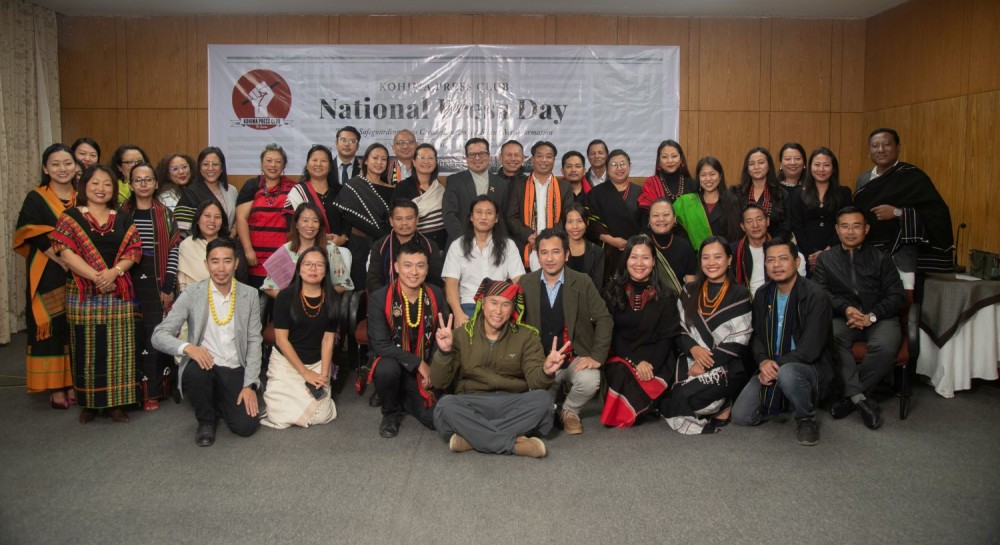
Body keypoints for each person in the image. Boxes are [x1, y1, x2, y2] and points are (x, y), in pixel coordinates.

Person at [431, 278, 567, 458]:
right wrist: (444, 352)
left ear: (512, 309)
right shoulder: (462, 335)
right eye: (493, 302)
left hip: (512, 403)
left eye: (505, 304)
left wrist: (546, 371)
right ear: (482, 303)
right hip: (473, 402)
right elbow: (439, 382)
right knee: (445, 406)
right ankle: (516, 445)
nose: (498, 310)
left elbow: (537, 382)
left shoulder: (526, 336)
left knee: (544, 401)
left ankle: (472, 439)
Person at [51, 165, 142, 424]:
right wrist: (97, 277)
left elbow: (134, 251)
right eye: (95, 183)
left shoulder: (123, 217)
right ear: (84, 187)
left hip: (118, 291)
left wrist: (113, 273)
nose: (101, 189)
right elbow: (64, 252)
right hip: (83, 293)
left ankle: (116, 404)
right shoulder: (70, 217)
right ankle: (89, 403)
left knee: (119, 348)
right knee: (86, 348)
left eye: (107, 184)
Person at [151, 237, 262, 446]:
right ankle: (206, 421)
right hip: (206, 364)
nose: (221, 268)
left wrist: (250, 385)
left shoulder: (250, 295)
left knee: (246, 427)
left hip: (235, 367)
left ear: (236, 263)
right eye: (215, 261)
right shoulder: (193, 293)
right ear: (206, 264)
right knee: (195, 373)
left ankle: (219, 398)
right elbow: (159, 335)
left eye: (227, 261)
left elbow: (255, 341)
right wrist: (188, 348)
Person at [731, 238, 834, 446]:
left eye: (783, 259)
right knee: (741, 416)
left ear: (796, 262)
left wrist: (774, 366)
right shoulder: (763, 294)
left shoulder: (816, 295)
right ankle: (787, 396)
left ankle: (805, 418)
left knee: (787, 373)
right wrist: (762, 363)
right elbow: (757, 335)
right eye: (771, 260)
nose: (776, 265)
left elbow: (810, 349)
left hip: (807, 367)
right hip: (770, 363)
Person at [813, 206, 905, 430]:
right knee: (830, 338)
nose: (850, 232)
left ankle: (850, 398)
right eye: (845, 226)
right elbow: (821, 293)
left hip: (880, 317)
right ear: (837, 229)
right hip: (844, 317)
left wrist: (871, 316)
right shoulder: (825, 259)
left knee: (884, 347)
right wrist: (845, 309)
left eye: (856, 226)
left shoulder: (882, 258)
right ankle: (860, 400)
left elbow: (897, 296)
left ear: (866, 229)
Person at [517, 229, 612, 435]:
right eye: (544, 253)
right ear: (537, 255)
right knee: (538, 417)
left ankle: (569, 411)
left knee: (590, 381)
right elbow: (516, 325)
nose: (550, 258)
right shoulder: (525, 283)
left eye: (556, 252)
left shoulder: (583, 281)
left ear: (566, 255)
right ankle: (552, 406)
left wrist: (597, 356)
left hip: (575, 358)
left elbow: (604, 319)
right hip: (541, 362)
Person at [660, 237, 752, 435]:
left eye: (717, 257)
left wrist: (704, 363)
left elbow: (739, 341)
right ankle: (720, 405)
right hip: (690, 356)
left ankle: (723, 404)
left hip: (725, 364)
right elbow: (679, 329)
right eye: (706, 258)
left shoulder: (740, 294)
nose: (711, 263)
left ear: (729, 260)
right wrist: (693, 349)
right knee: (667, 399)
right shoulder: (689, 290)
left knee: (685, 400)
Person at [13, 143, 77, 408]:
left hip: (80, 271)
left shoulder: (82, 196)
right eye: (55, 164)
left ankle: (73, 381)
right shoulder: (36, 197)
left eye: (67, 163)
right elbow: (32, 232)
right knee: (51, 326)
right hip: (49, 271)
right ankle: (54, 387)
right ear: (45, 168)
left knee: (74, 327)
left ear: (76, 167)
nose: (62, 169)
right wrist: (62, 259)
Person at [853, 128, 954, 286]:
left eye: (887, 145)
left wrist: (897, 212)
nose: (880, 150)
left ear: (898, 147)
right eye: (875, 146)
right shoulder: (863, 179)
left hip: (903, 258)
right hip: (870, 256)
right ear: (869, 150)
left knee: (905, 305)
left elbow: (938, 213)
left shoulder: (913, 177)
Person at [368, 242, 448, 438]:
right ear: (396, 267)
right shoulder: (380, 298)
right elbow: (379, 344)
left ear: (427, 269)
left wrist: (433, 367)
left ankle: (403, 396)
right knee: (386, 369)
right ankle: (390, 413)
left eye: (420, 266)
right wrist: (417, 363)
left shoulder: (435, 293)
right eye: (407, 265)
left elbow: (442, 335)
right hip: (396, 363)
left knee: (434, 420)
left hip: (427, 363)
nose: (414, 272)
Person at [601, 235, 681, 428]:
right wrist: (635, 362)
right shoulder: (611, 292)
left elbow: (667, 337)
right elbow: (613, 335)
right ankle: (643, 406)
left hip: (656, 358)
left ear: (654, 262)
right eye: (633, 257)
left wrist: (650, 364)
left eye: (645, 258)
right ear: (626, 260)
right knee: (621, 372)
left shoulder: (667, 296)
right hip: (623, 355)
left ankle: (646, 404)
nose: (639, 263)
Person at [121, 162, 181, 411]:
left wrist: (168, 285)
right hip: (127, 283)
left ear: (156, 183)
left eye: (148, 180)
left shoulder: (165, 214)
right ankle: (131, 392)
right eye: (138, 180)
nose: (143, 184)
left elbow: (174, 248)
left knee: (155, 334)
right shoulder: (121, 214)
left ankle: (155, 391)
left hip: (158, 284)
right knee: (131, 337)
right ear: (130, 184)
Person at [260, 247, 339, 429]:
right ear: (299, 268)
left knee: (321, 416)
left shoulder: (332, 299)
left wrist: (323, 376)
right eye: (308, 264)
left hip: (317, 361)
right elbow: (281, 340)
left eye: (319, 265)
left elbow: (328, 340)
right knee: (279, 417)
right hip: (287, 361)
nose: (313, 269)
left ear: (326, 271)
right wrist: (305, 373)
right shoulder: (285, 297)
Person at [442, 196, 524, 326]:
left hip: (499, 307)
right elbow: (451, 284)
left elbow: (519, 281)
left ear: (496, 218)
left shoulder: (508, 245)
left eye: (489, 213)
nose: (483, 217)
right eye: (479, 212)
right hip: (468, 306)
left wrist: (517, 313)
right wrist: (458, 314)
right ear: (471, 217)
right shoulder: (458, 245)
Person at [334, 142, 394, 290]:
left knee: (382, 286)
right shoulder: (353, 185)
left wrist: (384, 237)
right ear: (366, 160)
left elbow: (393, 219)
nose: (379, 162)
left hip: (384, 245)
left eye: (383, 159)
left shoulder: (392, 190)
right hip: (359, 245)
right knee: (359, 288)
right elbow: (347, 216)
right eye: (375, 158)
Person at [506, 141, 573, 271]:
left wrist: (552, 237)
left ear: (554, 160)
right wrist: (528, 235)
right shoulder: (519, 185)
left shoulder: (564, 187)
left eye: (549, 156)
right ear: (532, 159)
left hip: (555, 247)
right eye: (539, 156)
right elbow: (511, 216)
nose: (544, 160)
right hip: (526, 247)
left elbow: (567, 217)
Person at [236, 143, 296, 289]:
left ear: (284, 165)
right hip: (255, 258)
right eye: (268, 160)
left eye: (278, 161)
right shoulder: (252, 186)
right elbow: (241, 219)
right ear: (261, 163)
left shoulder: (294, 188)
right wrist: (248, 250)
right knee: (256, 304)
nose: (273, 165)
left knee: (279, 303)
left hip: (282, 257)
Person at [261, 202, 353, 297]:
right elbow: (269, 287)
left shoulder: (330, 249)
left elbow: (342, 284)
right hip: (291, 306)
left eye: (315, 221)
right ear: (296, 224)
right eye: (305, 220)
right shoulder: (285, 251)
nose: (310, 225)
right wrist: (290, 301)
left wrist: (318, 298)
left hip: (322, 305)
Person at [788, 147, 852, 272]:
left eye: (826, 165)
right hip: (806, 253)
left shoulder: (844, 193)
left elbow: (844, 223)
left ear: (833, 168)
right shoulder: (798, 194)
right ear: (810, 167)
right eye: (817, 165)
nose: (821, 169)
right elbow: (797, 225)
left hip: (836, 250)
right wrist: (811, 255)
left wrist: (828, 251)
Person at [586, 149, 642, 286]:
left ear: (629, 166)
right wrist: (611, 240)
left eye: (622, 164)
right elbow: (590, 222)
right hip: (606, 251)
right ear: (607, 167)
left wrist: (633, 244)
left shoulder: (640, 192)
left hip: (636, 250)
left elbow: (647, 222)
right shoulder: (596, 193)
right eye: (614, 164)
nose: (619, 168)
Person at [441, 137, 510, 247]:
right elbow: (449, 215)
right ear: (466, 157)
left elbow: (504, 218)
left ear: (489, 156)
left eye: (482, 153)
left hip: (494, 245)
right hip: (461, 243)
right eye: (472, 154)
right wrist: (465, 241)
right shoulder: (455, 181)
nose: (477, 158)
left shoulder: (501, 184)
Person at [366, 199, 441, 294]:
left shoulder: (429, 245)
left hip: (421, 300)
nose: (404, 223)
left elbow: (435, 280)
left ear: (417, 220)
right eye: (399, 219)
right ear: (391, 221)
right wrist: (387, 298)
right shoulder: (380, 246)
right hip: (387, 300)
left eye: (409, 218)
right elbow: (373, 280)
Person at [731, 204, 806, 297]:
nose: (755, 225)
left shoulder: (782, 247)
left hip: (776, 299)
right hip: (743, 301)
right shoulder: (733, 251)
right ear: (742, 226)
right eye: (749, 221)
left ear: (767, 221)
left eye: (759, 219)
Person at [177, 200, 248, 292]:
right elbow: (182, 282)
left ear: (222, 221)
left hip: (229, 299)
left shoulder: (233, 246)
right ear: (198, 219)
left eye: (217, 217)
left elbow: (242, 280)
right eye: (207, 216)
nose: (212, 221)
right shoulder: (187, 245)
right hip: (194, 299)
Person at [285, 144, 347, 247]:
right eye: (314, 160)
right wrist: (319, 237)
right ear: (307, 164)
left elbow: (348, 221)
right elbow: (291, 226)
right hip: (308, 252)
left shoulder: (341, 191)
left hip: (337, 251)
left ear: (331, 166)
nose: (318, 164)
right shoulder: (297, 192)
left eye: (323, 161)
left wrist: (342, 239)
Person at [673, 156, 741, 248]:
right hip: (694, 257)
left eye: (712, 174)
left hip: (724, 255)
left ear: (720, 176)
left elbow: (736, 235)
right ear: (699, 178)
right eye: (703, 175)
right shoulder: (687, 202)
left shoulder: (732, 201)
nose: (708, 179)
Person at [392, 143, 447, 250]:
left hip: (441, 246)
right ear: (414, 162)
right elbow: (396, 218)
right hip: (413, 246)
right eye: (422, 158)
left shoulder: (440, 188)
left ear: (435, 162)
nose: (426, 161)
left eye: (431, 158)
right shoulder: (403, 187)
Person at [174, 147, 238, 234]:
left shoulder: (232, 191)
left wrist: (234, 230)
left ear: (222, 168)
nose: (210, 168)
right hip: (199, 244)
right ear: (199, 168)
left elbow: (237, 219)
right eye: (205, 164)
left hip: (226, 245)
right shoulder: (191, 192)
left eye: (215, 164)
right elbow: (182, 228)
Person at [734, 147, 790, 240]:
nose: (756, 167)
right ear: (747, 168)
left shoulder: (781, 194)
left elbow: (785, 227)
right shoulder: (736, 193)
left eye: (761, 162)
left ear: (769, 166)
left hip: (774, 247)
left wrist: (773, 245)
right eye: (752, 164)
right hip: (743, 247)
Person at [638, 140, 696, 225]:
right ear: (659, 161)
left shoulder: (692, 184)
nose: (670, 160)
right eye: (665, 157)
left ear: (681, 159)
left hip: (687, 235)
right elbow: (645, 216)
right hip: (658, 233)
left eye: (674, 156)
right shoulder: (651, 184)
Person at [646, 197, 697, 291]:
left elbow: (691, 286)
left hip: (678, 302)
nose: (661, 219)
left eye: (666, 215)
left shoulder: (685, 247)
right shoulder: (641, 244)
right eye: (655, 215)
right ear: (649, 220)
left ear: (674, 219)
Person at [562, 203, 604, 290]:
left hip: (589, 301)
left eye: (579, 221)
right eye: (570, 222)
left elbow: (597, 286)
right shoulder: (558, 250)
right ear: (564, 225)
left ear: (587, 222)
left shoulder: (597, 251)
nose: (575, 227)